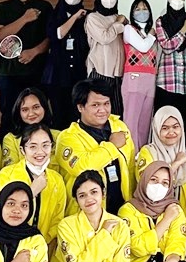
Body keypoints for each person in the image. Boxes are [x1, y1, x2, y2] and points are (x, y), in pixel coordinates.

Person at [0, 0, 53, 134]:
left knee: (38, 117)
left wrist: (34, 51)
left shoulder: (44, 6)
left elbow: (51, 38)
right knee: (9, 117)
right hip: (9, 73)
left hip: (38, 72)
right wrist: (25, 18)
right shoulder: (3, 7)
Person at [55, 81, 135, 210]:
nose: (102, 110)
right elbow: (83, 167)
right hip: (86, 213)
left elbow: (130, 167)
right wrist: (112, 146)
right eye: (95, 105)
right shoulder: (67, 137)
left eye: (106, 104)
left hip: (122, 209)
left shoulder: (119, 127)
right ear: (80, 107)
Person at [137, 107, 186, 251]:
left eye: (175, 127)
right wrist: (176, 164)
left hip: (178, 227)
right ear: (156, 130)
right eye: (165, 128)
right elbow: (146, 184)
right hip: (151, 223)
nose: (171, 132)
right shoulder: (148, 153)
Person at [0, 124, 69, 246]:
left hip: (42, 247)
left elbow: (57, 219)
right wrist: (31, 192)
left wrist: (40, 244)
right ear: (22, 150)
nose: (40, 152)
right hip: (9, 244)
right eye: (33, 146)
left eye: (45, 145)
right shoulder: (6, 175)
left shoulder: (57, 179)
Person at [46, 0, 91, 128]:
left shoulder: (87, 16)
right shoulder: (55, 14)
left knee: (77, 116)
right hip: (58, 75)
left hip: (79, 74)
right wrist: (75, 16)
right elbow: (57, 34)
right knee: (59, 116)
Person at [80, 0, 122, 116]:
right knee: (98, 112)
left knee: (116, 113)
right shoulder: (93, 17)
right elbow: (104, 38)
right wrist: (118, 24)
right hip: (100, 71)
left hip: (117, 74)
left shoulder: (118, 17)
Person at [154, 0, 186, 119]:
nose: (178, 0)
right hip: (167, 82)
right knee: (165, 122)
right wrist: (184, 29)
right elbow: (167, 47)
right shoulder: (161, 22)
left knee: (184, 123)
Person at [121, 0, 160, 146]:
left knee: (145, 124)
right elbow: (143, 46)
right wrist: (151, 34)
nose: (142, 12)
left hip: (150, 80)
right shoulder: (129, 29)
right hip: (134, 78)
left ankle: (142, 156)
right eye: (137, 9)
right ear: (132, 13)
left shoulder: (152, 33)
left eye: (145, 8)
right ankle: (130, 156)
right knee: (131, 123)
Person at [1, 87, 53, 169]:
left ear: (44, 107)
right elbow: (10, 171)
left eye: (36, 107)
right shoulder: (11, 139)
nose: (31, 113)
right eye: (25, 110)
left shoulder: (59, 136)